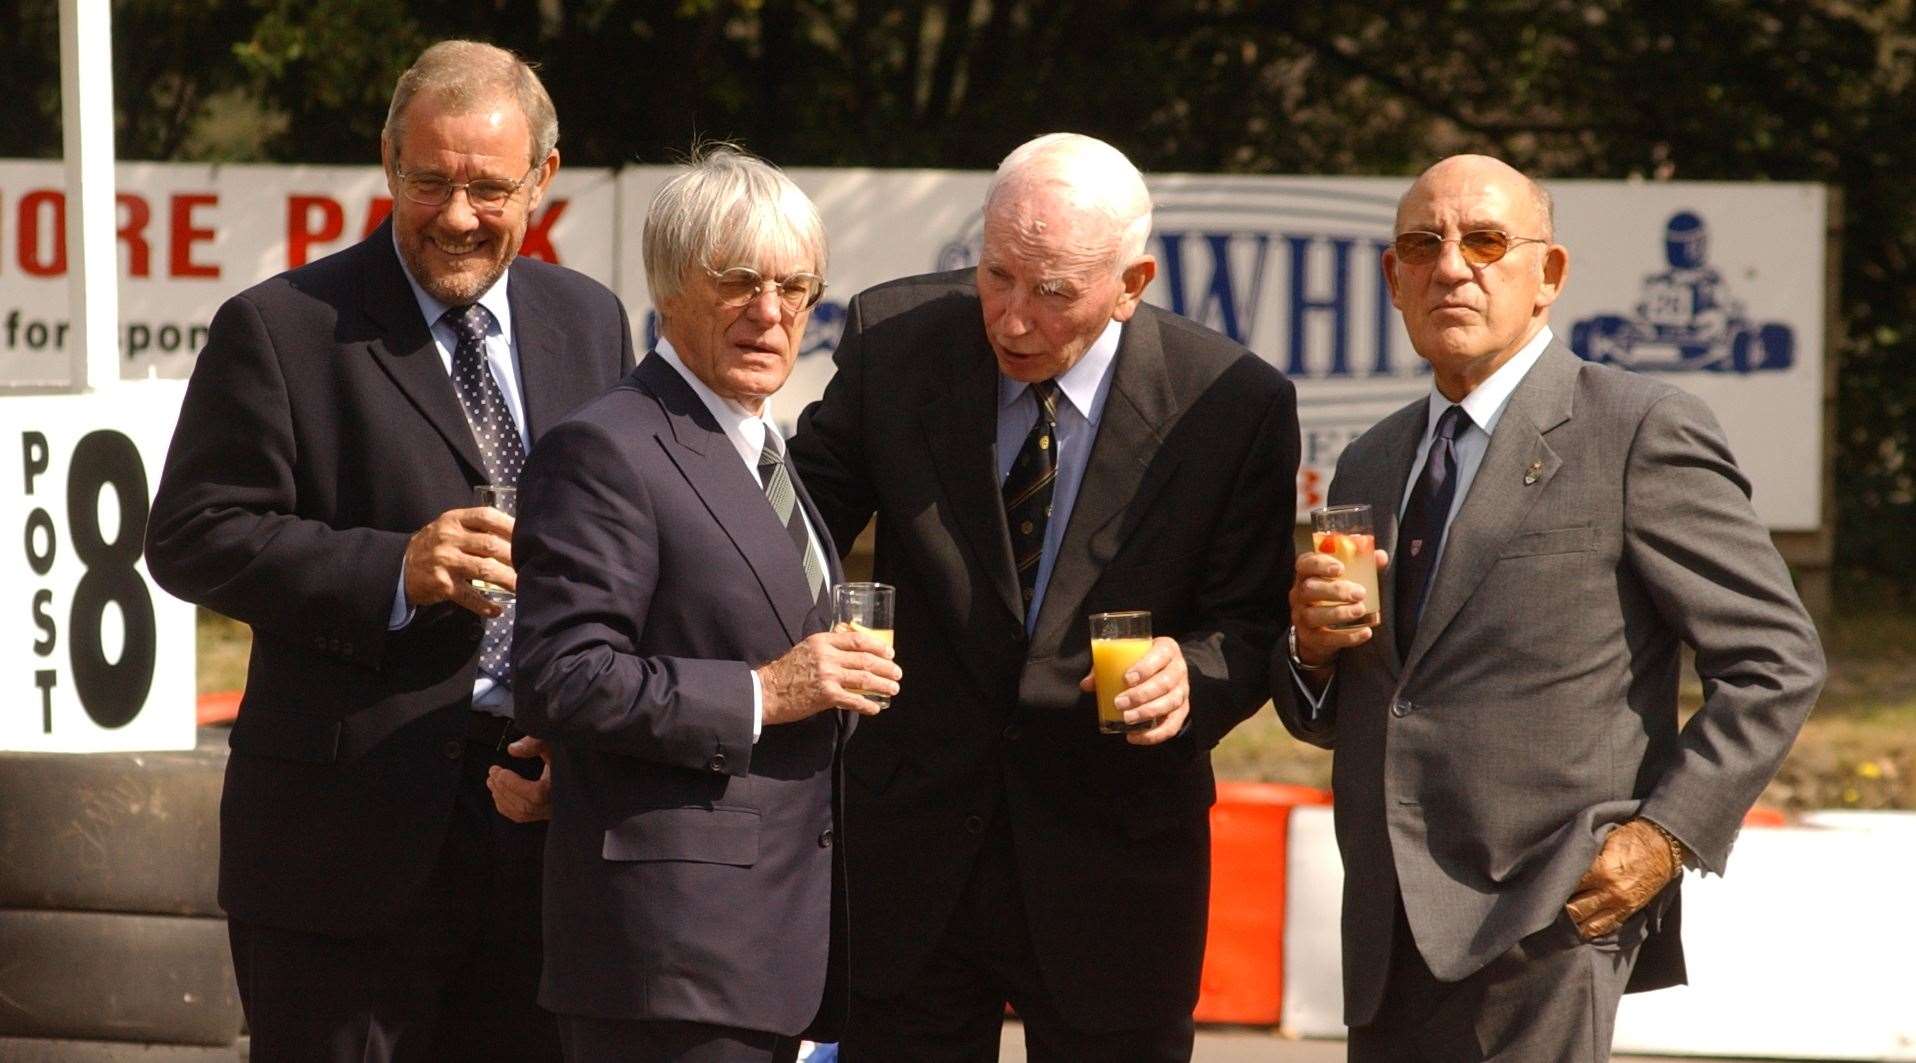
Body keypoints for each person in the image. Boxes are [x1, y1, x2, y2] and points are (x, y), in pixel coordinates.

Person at [1272, 154, 1825, 1061]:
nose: (1452, 266)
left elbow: (1776, 660)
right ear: (1394, 280)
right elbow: (1363, 706)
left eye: (1485, 241)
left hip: (1549, 917)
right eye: (1423, 245)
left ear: (1549, 276)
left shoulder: (1637, 427)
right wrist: (1311, 649)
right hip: (1387, 927)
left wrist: (1663, 835)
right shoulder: (1371, 461)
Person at [144, 40, 632, 1059]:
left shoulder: (587, 320)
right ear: (386, 164)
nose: (457, 215)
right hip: (342, 853)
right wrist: (392, 571)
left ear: (542, 179)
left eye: (488, 187)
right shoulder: (281, 328)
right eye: (429, 182)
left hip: (540, 823)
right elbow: (191, 537)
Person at [788, 133, 1300, 1061]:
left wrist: (1192, 675)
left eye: (1053, 291)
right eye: (995, 275)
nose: (1012, 320)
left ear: (1132, 282)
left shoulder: (1232, 405)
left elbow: (1252, 620)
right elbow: (783, 533)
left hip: (1115, 860)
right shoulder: (894, 341)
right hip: (913, 847)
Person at [509, 145, 898, 1063]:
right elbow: (561, 676)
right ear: (671, 287)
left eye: (796, 288)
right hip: (666, 960)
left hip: (768, 955)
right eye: (740, 282)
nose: (771, 313)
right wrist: (768, 691)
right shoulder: (607, 447)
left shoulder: (763, 449)